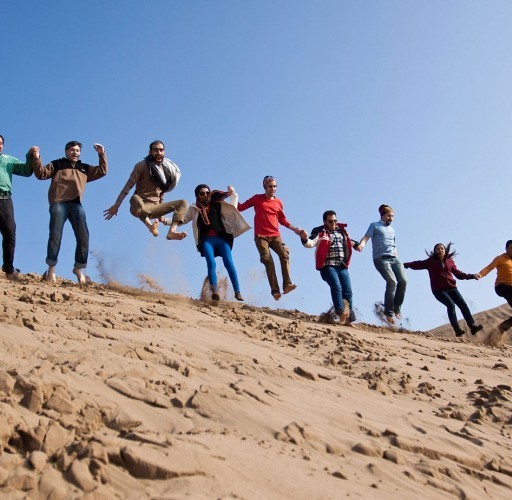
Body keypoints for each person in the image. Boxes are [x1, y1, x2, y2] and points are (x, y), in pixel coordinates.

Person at [32, 141, 108, 284]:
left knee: (83, 237)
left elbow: (102, 171)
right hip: (59, 203)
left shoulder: (84, 168)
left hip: (76, 205)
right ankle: (52, 269)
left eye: (78, 150)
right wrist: (36, 158)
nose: (75, 152)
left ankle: (78, 268)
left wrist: (101, 154)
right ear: (66, 151)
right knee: (55, 236)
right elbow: (41, 174)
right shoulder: (57, 164)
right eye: (72, 150)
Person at [178, 184, 250, 302]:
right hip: (207, 241)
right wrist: (167, 221)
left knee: (229, 263)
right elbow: (182, 220)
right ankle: (215, 291)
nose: (205, 195)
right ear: (197, 195)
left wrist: (233, 194)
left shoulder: (217, 203)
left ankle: (237, 292)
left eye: (207, 192)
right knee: (211, 263)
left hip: (222, 238)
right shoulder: (194, 208)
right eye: (202, 193)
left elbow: (232, 207)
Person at [103, 140, 187, 240]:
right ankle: (150, 226)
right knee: (135, 198)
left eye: (161, 150)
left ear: (164, 152)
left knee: (183, 203)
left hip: (154, 208)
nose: (159, 153)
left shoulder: (165, 169)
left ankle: (172, 232)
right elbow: (128, 186)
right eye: (155, 150)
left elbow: (161, 192)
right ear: (150, 152)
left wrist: (160, 216)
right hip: (138, 206)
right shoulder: (141, 166)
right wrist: (116, 205)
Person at [238, 176, 302, 300]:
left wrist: (295, 229)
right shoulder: (257, 198)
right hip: (261, 237)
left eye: (274, 186)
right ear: (265, 187)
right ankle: (275, 291)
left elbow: (282, 219)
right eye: (270, 186)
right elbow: (240, 207)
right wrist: (233, 196)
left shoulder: (278, 202)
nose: (272, 189)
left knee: (284, 255)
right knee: (268, 260)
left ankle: (287, 285)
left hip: (275, 235)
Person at [404, 243, 482, 337]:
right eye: (438, 249)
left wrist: (472, 276)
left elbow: (458, 274)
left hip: (451, 288)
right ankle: (456, 329)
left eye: (442, 248)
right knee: (450, 305)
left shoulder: (450, 261)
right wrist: (406, 265)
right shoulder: (431, 261)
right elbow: (418, 264)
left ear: (445, 250)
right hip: (438, 290)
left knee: (463, 304)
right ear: (435, 251)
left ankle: (472, 326)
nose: (440, 250)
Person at [299, 210, 358, 324]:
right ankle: (341, 312)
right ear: (325, 221)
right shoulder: (320, 231)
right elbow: (310, 243)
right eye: (330, 221)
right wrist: (304, 238)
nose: (333, 223)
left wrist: (358, 245)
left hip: (342, 266)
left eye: (335, 221)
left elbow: (350, 241)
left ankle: (348, 318)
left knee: (348, 291)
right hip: (327, 266)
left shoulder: (341, 231)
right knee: (336, 286)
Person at [356, 204, 407, 325]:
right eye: (389, 216)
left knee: (403, 280)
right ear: (383, 215)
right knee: (392, 281)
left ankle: (397, 308)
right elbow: (366, 237)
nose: (391, 218)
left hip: (394, 258)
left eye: (393, 216)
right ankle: (388, 313)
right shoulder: (374, 225)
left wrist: (397, 259)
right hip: (380, 259)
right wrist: (361, 245)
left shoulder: (392, 230)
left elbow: (394, 245)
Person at [0, 135, 36, 279]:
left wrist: (30, 156)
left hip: (5, 199)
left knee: (10, 233)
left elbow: (26, 171)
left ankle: (8, 270)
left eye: (1, 143)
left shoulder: (8, 159)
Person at [477, 240, 512, 333]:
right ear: (506, 249)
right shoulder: (500, 258)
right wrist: (480, 274)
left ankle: (503, 327)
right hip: (502, 287)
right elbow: (489, 267)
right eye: (511, 248)